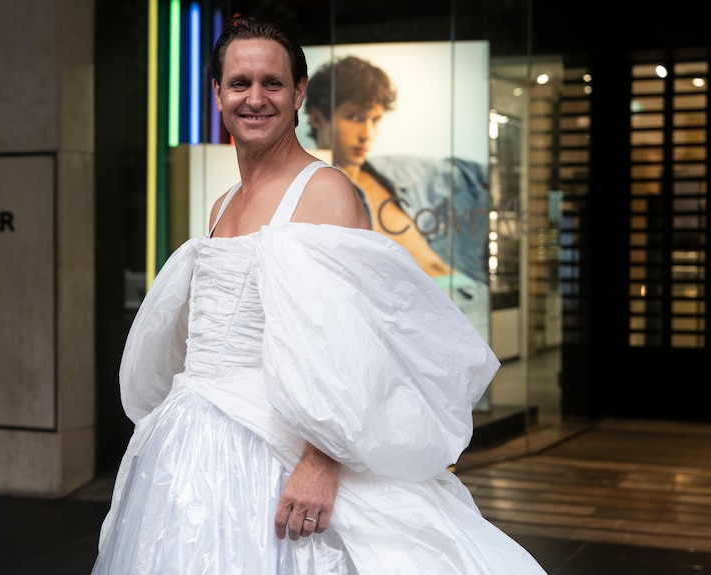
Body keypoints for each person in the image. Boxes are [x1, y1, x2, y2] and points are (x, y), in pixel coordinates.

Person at [91, 14, 547, 574]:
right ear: (217, 93)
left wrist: (322, 461)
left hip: (281, 448)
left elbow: (357, 344)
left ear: (299, 92)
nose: (255, 98)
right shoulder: (223, 203)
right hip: (194, 439)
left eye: (273, 83)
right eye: (240, 84)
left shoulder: (326, 191)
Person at [304, 55, 491, 338]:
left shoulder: (402, 171)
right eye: (355, 118)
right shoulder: (312, 193)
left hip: (474, 298)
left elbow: (482, 176)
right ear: (317, 118)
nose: (367, 134)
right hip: (422, 324)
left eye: (375, 120)